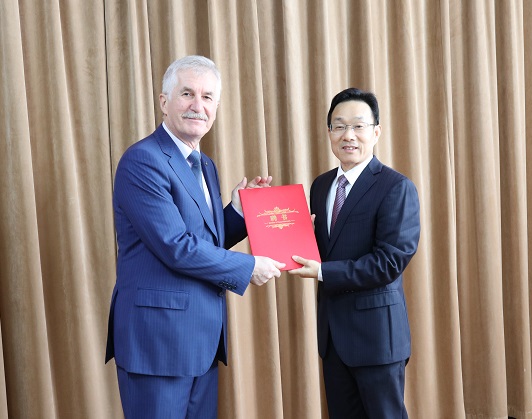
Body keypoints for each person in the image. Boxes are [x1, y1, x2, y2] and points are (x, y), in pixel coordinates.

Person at [105, 55, 285, 418]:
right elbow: (176, 247)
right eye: (187, 93)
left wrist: (239, 212)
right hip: (157, 342)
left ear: (216, 107)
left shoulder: (205, 165)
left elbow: (203, 240)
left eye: (207, 97)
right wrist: (248, 266)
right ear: (164, 101)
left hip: (200, 339)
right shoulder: (143, 161)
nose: (197, 105)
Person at [289, 88, 420, 418]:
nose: (348, 135)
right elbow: (325, 248)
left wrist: (322, 272)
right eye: (339, 126)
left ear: (376, 132)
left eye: (358, 126)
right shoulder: (321, 186)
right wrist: (290, 237)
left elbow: (389, 262)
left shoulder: (395, 187)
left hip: (377, 338)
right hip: (333, 338)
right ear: (329, 132)